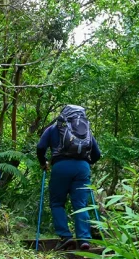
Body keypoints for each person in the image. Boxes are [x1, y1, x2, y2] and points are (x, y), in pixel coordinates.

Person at [36, 105, 101, 250]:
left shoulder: (54, 128)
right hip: (82, 168)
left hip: (61, 166)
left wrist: (43, 162)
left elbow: (41, 147)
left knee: (57, 203)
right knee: (80, 204)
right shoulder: (85, 130)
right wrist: (85, 163)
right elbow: (97, 154)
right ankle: (84, 239)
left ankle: (66, 236)